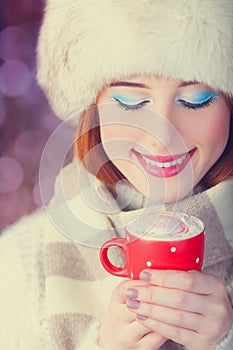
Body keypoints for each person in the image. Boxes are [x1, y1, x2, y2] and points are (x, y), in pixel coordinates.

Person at [0, 1, 233, 349]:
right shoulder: (18, 263)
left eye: (197, 99)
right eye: (130, 101)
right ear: (93, 107)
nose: (163, 134)